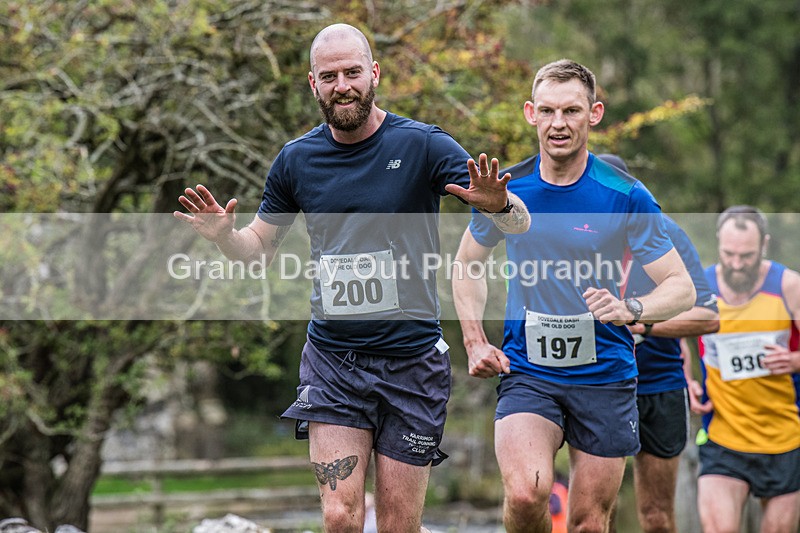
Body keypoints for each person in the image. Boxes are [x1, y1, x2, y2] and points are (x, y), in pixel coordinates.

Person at [174, 23, 530, 533]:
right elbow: (255, 254)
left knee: (396, 525)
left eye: (352, 72)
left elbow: (519, 221)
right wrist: (223, 236)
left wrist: (500, 205)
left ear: (375, 74)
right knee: (340, 518)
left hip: (413, 366)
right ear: (313, 84)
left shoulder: (423, 145)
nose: (343, 84)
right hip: (334, 363)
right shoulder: (297, 160)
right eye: (330, 75)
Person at [451, 59, 696, 532]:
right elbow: (466, 264)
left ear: (594, 113)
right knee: (525, 495)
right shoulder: (506, 191)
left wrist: (631, 309)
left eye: (571, 111)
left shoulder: (625, 194)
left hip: (604, 374)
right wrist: (475, 340)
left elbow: (681, 287)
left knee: (587, 522)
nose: (558, 124)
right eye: (547, 111)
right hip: (529, 369)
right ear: (530, 113)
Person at [597, 154, 720, 533]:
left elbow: (708, 316)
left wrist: (641, 325)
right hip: (599, 385)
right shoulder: (577, 232)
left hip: (660, 384)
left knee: (656, 517)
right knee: (598, 514)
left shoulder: (666, 233)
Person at [685, 206, 800, 533]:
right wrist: (689, 382)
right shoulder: (701, 287)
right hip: (724, 436)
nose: (736, 264)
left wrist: (793, 361)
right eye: (729, 254)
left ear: (764, 244)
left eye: (746, 256)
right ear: (718, 241)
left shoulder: (789, 286)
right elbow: (673, 340)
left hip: (784, 437)